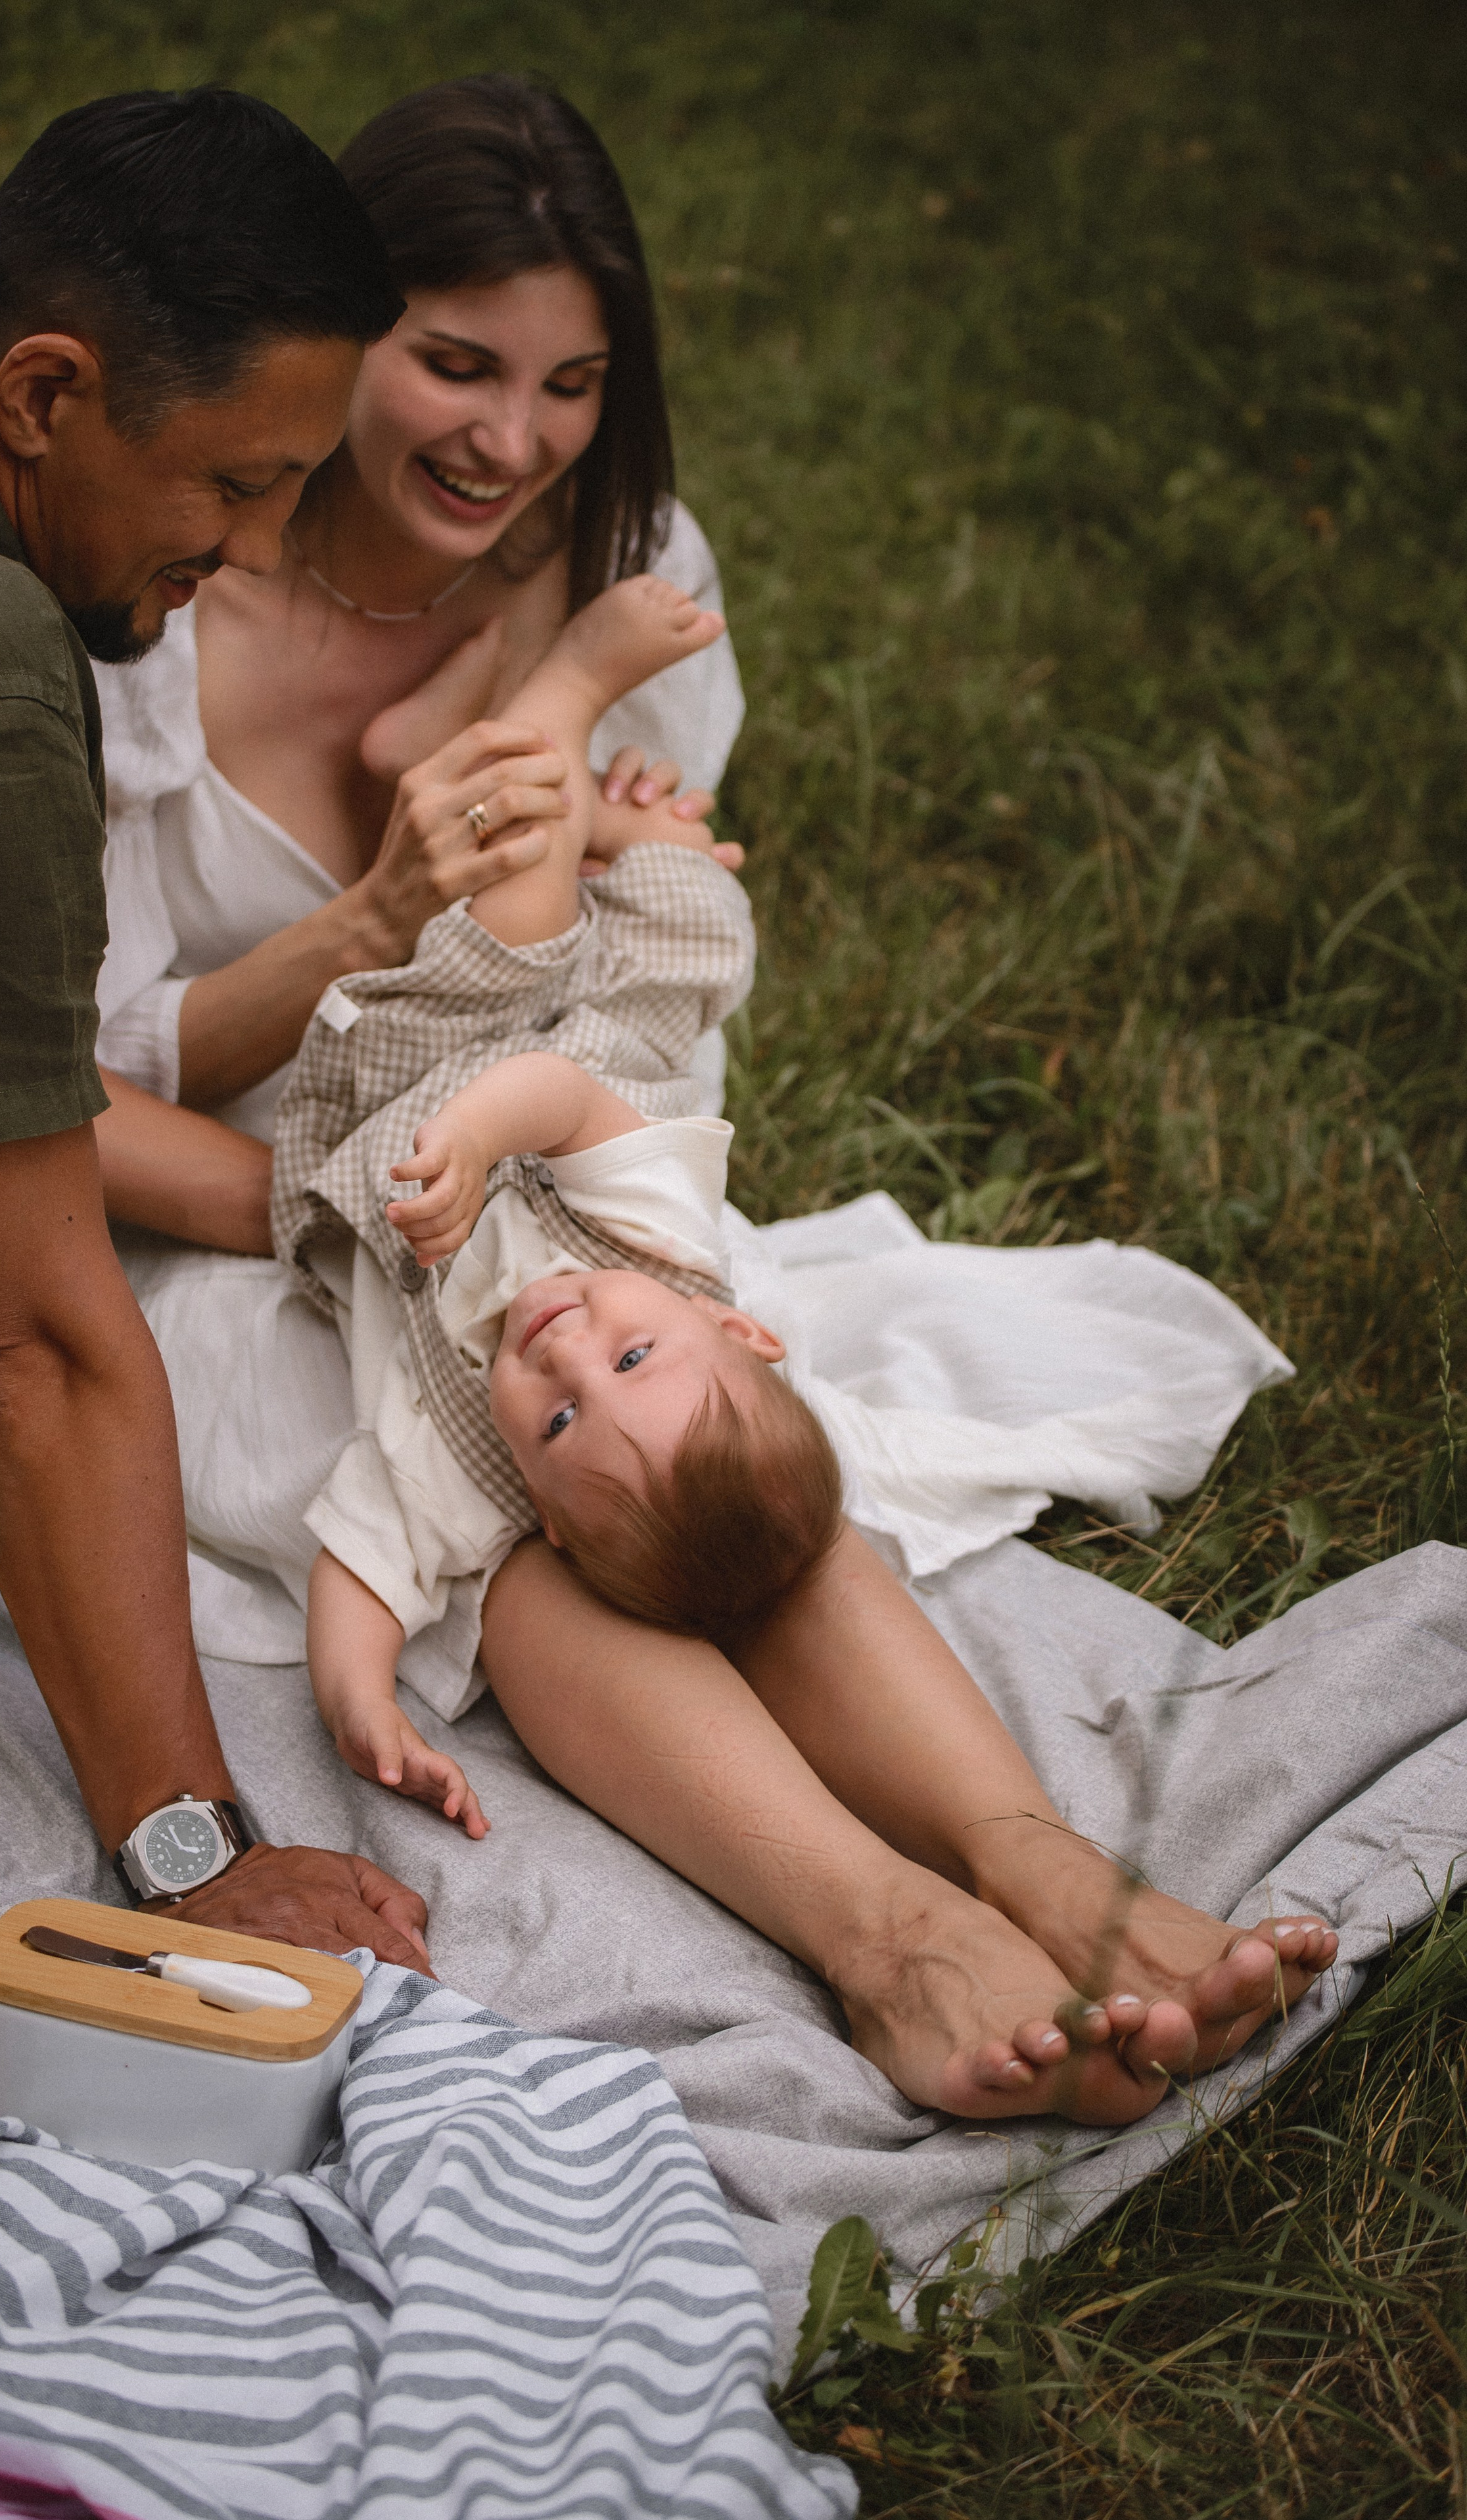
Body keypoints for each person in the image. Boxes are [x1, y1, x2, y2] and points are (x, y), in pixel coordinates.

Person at [275, 572, 1339, 2127]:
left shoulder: (644, 1242)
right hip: (345, 1146)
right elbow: (379, 1538)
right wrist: (358, 1686)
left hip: (514, 1081)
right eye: (565, 1409)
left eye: (618, 1367)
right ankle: (897, 1940)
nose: (566, 1349)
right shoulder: (501, 1414)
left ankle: (1038, 1865)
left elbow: (562, 1090)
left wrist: (590, 812)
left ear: (733, 1319)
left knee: (764, 1524)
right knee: (520, 1567)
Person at [0, 88, 442, 1967]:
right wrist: (190, 1847)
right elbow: (31, 1337)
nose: (251, 549)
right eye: (234, 483)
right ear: (47, 392)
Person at [91, 74, 746, 1267]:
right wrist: (376, 925)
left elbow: (624, 1002)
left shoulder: (629, 568)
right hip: (211, 1205)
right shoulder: (156, 613)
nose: (510, 445)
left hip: (530, 1164)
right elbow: (47, 1088)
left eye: (570, 386)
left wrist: (660, 860)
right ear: (333, 329)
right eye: (455, 367)